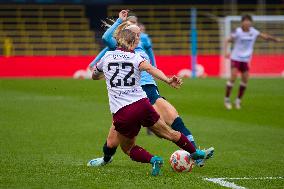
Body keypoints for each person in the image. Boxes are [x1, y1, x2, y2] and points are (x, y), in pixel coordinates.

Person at [88, 10, 213, 167]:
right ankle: (105, 159)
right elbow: (108, 40)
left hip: (141, 94)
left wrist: (164, 78)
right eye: (135, 31)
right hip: (139, 99)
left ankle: (195, 154)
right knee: (113, 142)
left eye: (138, 30)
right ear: (126, 35)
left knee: (172, 118)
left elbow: (152, 66)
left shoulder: (138, 46)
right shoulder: (125, 51)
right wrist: (167, 79)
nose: (139, 34)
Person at [224, 14, 282, 110]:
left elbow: (265, 36)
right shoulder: (238, 32)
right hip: (236, 58)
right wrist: (226, 52)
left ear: (250, 22)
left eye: (249, 21)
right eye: (245, 21)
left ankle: (238, 101)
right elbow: (227, 40)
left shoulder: (253, 31)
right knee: (233, 77)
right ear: (242, 22)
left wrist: (276, 39)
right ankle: (227, 99)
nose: (247, 23)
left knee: (245, 79)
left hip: (245, 59)